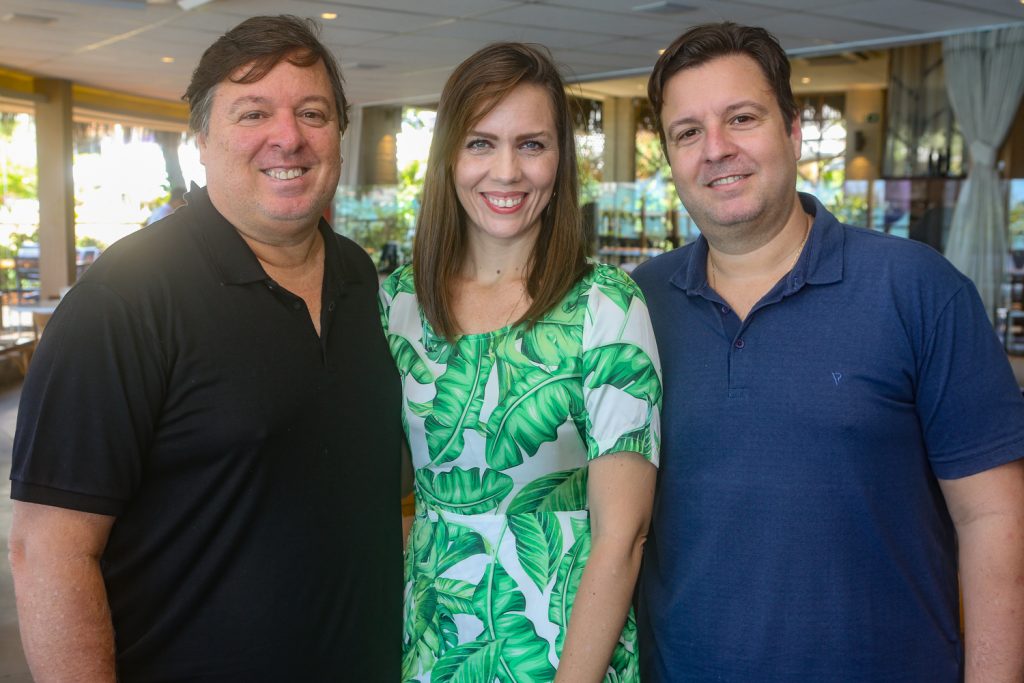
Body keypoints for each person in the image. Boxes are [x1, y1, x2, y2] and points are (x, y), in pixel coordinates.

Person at [8, 15, 403, 682]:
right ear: (201, 142)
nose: (289, 136)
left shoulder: (362, 279)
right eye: (253, 112)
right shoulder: (125, 299)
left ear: (339, 132)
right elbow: (48, 550)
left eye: (313, 112)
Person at [633, 22, 1024, 682]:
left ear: (792, 129)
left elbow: (994, 518)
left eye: (741, 118)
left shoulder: (916, 288)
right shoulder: (635, 306)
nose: (716, 149)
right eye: (688, 132)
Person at [379, 42, 662, 681]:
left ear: (559, 161)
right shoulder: (397, 303)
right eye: (481, 142)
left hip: (564, 648)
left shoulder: (607, 308)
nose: (506, 171)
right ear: (449, 155)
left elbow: (624, 537)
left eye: (531, 145)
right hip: (430, 641)